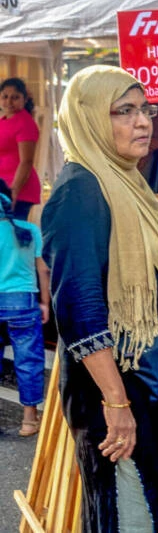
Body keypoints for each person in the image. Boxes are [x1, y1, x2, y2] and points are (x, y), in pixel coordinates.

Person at [42, 66, 158, 531]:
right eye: (124, 111)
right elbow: (79, 310)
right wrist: (116, 404)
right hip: (117, 391)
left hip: (151, 382)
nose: (143, 121)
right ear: (90, 118)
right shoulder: (79, 191)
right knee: (135, 511)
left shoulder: (127, 182)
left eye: (145, 110)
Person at [0, 178, 50, 437]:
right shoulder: (29, 230)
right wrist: (45, 303)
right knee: (28, 359)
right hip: (23, 301)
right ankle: (29, 421)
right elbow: (43, 270)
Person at [0, 77, 42, 220]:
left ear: (25, 99)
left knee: (11, 231)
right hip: (4, 187)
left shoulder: (25, 123)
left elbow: (26, 161)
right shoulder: (3, 121)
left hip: (18, 190)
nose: (9, 101)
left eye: (15, 97)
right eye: (5, 97)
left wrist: (14, 192)